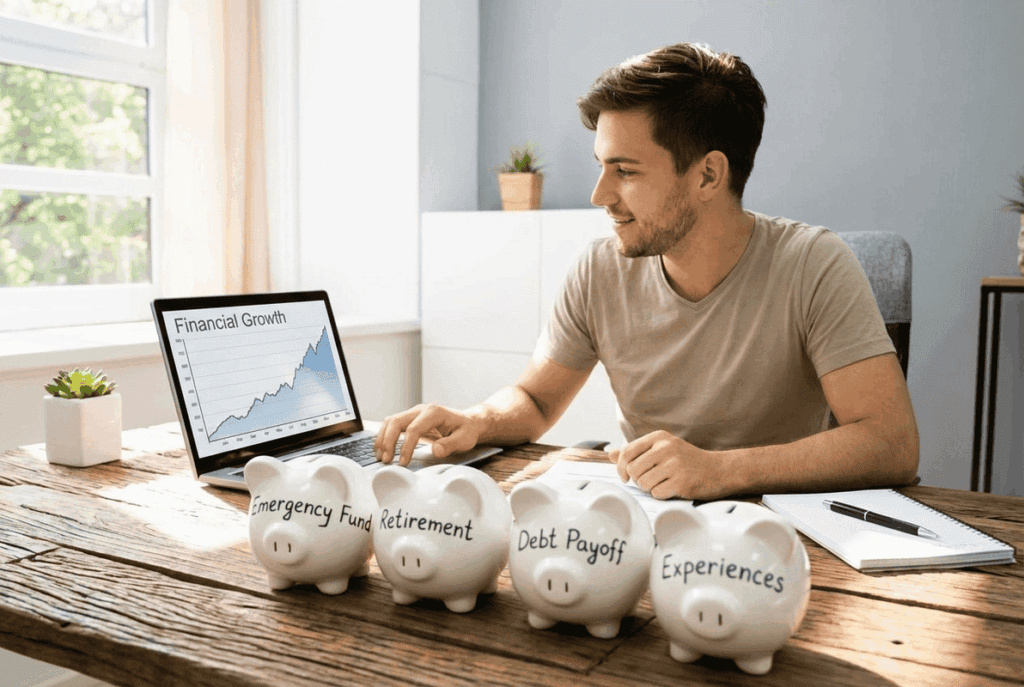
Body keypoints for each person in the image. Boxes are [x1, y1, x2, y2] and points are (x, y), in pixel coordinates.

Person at [375, 42, 919, 500]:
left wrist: (720, 470)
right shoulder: (598, 269)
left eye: (626, 171)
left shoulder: (813, 265)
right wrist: (479, 419)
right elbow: (538, 400)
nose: (599, 195)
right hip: (638, 521)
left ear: (708, 175)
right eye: (600, 167)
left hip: (774, 536)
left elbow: (891, 442)